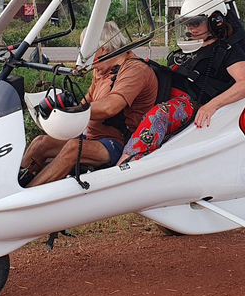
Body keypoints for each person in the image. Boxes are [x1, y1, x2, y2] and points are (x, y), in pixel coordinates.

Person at [117, 0, 245, 163]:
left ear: (216, 21)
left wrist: (211, 106)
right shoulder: (190, 47)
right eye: (187, 23)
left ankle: (123, 165)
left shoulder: (227, 51)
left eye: (196, 23)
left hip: (190, 103)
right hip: (166, 94)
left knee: (159, 114)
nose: (191, 28)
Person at [21, 21, 158, 186]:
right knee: (40, 143)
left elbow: (110, 107)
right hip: (92, 136)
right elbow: (86, 103)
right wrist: (61, 112)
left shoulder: (135, 70)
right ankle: (12, 186)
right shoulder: (103, 70)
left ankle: (26, 196)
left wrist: (70, 110)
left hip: (119, 143)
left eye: (88, 54)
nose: (88, 62)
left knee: (74, 148)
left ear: (104, 50)